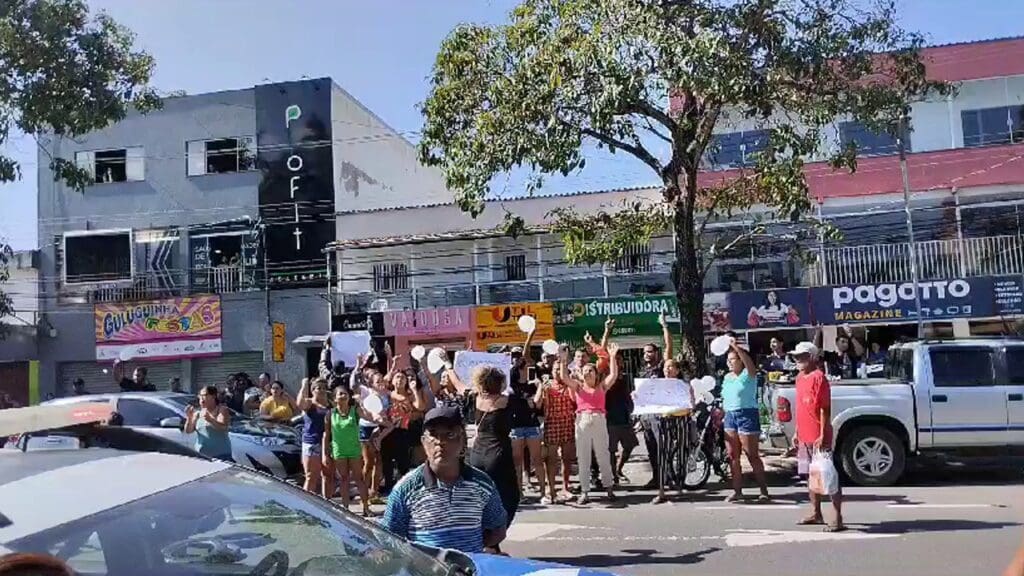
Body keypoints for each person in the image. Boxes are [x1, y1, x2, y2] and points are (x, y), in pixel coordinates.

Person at [383, 406, 508, 554]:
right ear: (424, 442)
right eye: (433, 435)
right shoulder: (406, 488)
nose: (440, 442)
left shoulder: (482, 484)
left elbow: (498, 528)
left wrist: (470, 549)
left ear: (462, 440)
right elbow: (388, 538)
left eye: (449, 435)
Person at [444, 361, 520, 539]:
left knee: (478, 500)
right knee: (509, 497)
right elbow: (532, 402)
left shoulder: (473, 398)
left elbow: (458, 384)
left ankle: (479, 536)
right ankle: (493, 540)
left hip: (476, 454)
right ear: (500, 382)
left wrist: (448, 366)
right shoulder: (506, 401)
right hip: (499, 454)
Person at [791, 341, 845, 532]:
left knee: (828, 475)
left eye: (802, 356)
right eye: (796, 357)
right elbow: (801, 407)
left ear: (812, 357)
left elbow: (824, 408)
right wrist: (797, 431)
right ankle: (816, 512)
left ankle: (837, 516)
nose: (798, 360)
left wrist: (822, 433)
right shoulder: (799, 378)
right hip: (805, 434)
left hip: (819, 435)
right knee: (810, 474)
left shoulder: (819, 377)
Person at [560, 343, 620, 505]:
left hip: (599, 419)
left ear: (595, 373)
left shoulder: (602, 387)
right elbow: (565, 378)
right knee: (583, 456)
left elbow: (613, 375)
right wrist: (563, 361)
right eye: (585, 371)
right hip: (582, 420)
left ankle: (609, 488)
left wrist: (612, 357)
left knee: (603, 455)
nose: (587, 373)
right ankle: (585, 491)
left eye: (590, 370)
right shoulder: (578, 387)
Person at [722, 340, 770, 502]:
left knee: (751, 455)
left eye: (733, 360)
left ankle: (763, 490)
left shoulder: (749, 374)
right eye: (727, 360)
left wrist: (736, 348)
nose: (729, 363)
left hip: (747, 414)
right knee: (732, 455)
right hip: (730, 415)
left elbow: (749, 363)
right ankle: (737, 491)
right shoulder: (727, 377)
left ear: (740, 360)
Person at [323, 381, 380, 517]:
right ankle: (346, 508)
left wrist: (361, 403)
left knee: (359, 479)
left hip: (354, 450)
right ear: (334, 398)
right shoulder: (330, 413)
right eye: (340, 394)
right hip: (339, 450)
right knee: (343, 479)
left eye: (345, 394)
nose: (343, 396)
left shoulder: (355, 411)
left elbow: (368, 416)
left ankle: (366, 507)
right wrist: (326, 451)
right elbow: (327, 434)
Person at [651, 357, 696, 505]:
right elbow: (649, 401)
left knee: (682, 451)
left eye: (670, 367)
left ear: (677, 371)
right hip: (665, 420)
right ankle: (661, 491)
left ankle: (680, 486)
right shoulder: (658, 385)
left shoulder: (684, 385)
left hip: (681, 419)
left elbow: (691, 403)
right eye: (665, 367)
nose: (667, 370)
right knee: (663, 453)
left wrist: (691, 403)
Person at [506, 328, 545, 499]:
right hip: (515, 426)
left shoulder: (532, 383)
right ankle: (519, 493)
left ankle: (545, 493)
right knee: (517, 462)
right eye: (526, 364)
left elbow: (536, 404)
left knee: (537, 459)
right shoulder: (510, 384)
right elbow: (525, 352)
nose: (530, 365)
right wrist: (530, 336)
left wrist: (540, 387)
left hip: (531, 425)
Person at [382, 361, 427, 494]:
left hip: (403, 431)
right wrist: (392, 363)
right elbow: (382, 381)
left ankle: (403, 488)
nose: (400, 380)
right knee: (387, 462)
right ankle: (388, 487)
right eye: (397, 377)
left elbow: (420, 407)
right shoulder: (388, 394)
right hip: (388, 431)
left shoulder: (409, 395)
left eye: (402, 378)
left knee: (403, 462)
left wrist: (414, 390)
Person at [534, 360, 576, 504]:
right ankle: (551, 489)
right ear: (551, 371)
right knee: (551, 459)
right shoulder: (547, 384)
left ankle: (565, 487)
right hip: (551, 423)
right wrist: (542, 389)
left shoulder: (570, 384)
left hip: (568, 422)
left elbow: (574, 400)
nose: (558, 372)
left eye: (560, 369)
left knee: (567, 457)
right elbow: (537, 403)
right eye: (555, 369)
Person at [639, 312, 672, 489]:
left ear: (656, 353)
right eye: (644, 352)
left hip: (659, 414)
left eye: (650, 351)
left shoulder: (661, 367)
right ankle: (656, 478)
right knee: (651, 449)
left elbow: (668, 347)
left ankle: (668, 478)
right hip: (645, 415)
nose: (646, 354)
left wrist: (664, 325)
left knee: (662, 447)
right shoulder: (643, 370)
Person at [296, 377, 332, 497]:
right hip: (312, 442)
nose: (321, 390)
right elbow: (299, 404)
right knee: (311, 476)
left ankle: (328, 503)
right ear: (313, 390)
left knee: (327, 475)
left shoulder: (330, 404)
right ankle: (306, 505)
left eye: (323, 388)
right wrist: (304, 385)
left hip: (327, 443)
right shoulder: (310, 403)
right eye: (318, 388)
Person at [184, 385, 232, 461]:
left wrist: (211, 420)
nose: (201, 398)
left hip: (220, 456)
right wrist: (189, 417)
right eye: (200, 396)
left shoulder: (221, 410)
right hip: (202, 456)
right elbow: (188, 431)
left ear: (213, 396)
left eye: (205, 395)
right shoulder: (198, 414)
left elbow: (223, 427)